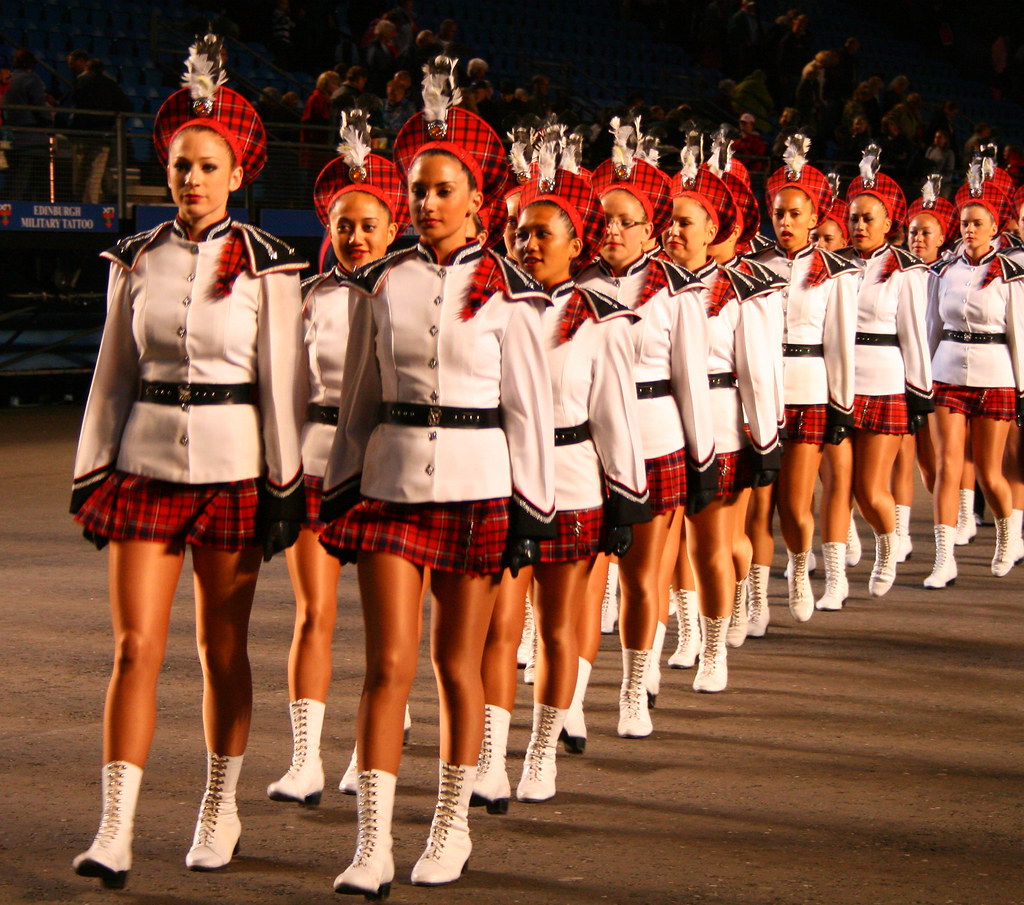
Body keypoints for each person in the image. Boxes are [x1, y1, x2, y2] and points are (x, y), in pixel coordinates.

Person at [70, 35, 307, 890]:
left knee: (222, 648)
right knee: (135, 647)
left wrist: (284, 487)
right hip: (143, 471)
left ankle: (220, 804)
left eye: (209, 166)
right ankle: (116, 827)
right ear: (165, 171)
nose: (193, 179)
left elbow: (283, 384)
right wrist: (92, 471)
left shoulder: (273, 267)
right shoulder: (134, 260)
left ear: (238, 172)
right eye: (180, 165)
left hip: (236, 471)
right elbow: (110, 377)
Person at [321, 56, 555, 895]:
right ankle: (372, 843)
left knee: (460, 665)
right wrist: (337, 488)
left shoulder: (511, 289)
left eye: (441, 188)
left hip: (480, 489)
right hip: (389, 488)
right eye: (416, 188)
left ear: (477, 199)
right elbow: (359, 397)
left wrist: (535, 508)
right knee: (387, 665)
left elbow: (527, 408)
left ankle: (450, 826)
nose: (424, 202)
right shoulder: (381, 280)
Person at [473, 127, 650, 808]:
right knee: (498, 628)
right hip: (500, 480)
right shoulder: (485, 308)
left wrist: (627, 502)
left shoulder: (603, 318)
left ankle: (540, 750)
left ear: (577, 243)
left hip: (575, 481)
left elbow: (615, 415)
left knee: (556, 628)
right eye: (520, 232)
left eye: (545, 233)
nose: (529, 244)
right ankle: (489, 756)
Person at [266, 110, 407, 810]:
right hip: (318, 464)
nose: (354, 237)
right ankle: (303, 758)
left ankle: (372, 741)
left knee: (388, 628)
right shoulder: (307, 298)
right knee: (312, 611)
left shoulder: (406, 299)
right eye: (343, 225)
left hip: (385, 470)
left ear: (393, 230)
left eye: (368, 225)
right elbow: (290, 396)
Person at [576, 117, 717, 735]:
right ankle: (570, 701)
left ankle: (634, 691)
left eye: (625, 221)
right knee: (583, 581)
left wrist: (704, 462)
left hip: (658, 442)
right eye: (603, 218)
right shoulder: (572, 286)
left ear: (648, 228)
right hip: (585, 451)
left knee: (641, 578)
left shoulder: (677, 291)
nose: (611, 230)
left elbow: (692, 380)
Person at [662, 133, 780, 688]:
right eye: (669, 220)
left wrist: (766, 444)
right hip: (660, 425)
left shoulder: (739, 290)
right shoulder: (648, 290)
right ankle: (686, 633)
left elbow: (757, 372)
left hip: (721, 423)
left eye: (687, 222)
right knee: (669, 546)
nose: (675, 231)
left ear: (714, 230)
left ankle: (715, 648)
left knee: (709, 545)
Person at [813, 147, 932, 609]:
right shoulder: (832, 266)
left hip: (884, 384)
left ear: (889, 223)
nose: (859, 226)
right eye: (854, 218)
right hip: (836, 386)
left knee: (868, 489)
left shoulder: (907, 270)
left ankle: (887, 543)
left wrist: (920, 394)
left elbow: (915, 338)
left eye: (869, 219)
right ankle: (836, 580)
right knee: (835, 484)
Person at [746, 134, 857, 621]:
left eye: (795, 213)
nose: (785, 221)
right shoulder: (753, 268)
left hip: (810, 392)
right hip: (759, 396)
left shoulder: (836, 272)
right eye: (778, 213)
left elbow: (840, 346)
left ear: (816, 218)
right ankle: (752, 599)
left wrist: (842, 407)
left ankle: (796, 569)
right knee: (756, 509)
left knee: (793, 505)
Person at [924, 163, 1024, 587]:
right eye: (964, 223)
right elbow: (932, 326)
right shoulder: (945, 270)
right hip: (947, 372)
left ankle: (1008, 533)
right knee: (948, 466)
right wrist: (921, 380)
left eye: (977, 224)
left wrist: (1023, 388)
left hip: (996, 373)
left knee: (988, 470)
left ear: (994, 226)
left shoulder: (1010, 272)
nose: (968, 230)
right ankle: (943, 558)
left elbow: (1018, 333)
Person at [890, 174, 958, 561]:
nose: (917, 239)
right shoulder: (899, 270)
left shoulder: (948, 273)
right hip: (898, 373)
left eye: (926, 233)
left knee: (934, 461)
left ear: (942, 236)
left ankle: (953, 524)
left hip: (935, 375)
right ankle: (900, 534)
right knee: (905, 456)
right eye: (913, 232)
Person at [70, 58, 131, 204]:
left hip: (82, 135)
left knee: (80, 173)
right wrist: (113, 123)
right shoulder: (110, 85)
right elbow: (127, 106)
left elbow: (70, 103)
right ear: (102, 70)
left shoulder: (81, 82)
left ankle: (80, 204)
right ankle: (91, 205)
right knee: (95, 174)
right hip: (103, 135)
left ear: (87, 69)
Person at [1, 49, 52, 201]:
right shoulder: (31, 79)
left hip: (11, 137)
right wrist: (49, 120)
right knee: (29, 183)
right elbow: (39, 108)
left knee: (13, 181)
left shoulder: (9, 79)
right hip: (31, 141)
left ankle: (9, 215)